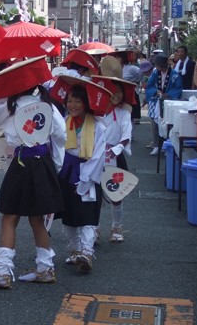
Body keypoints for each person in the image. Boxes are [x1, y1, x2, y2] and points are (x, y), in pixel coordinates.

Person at [0, 57, 66, 289]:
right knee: (38, 218)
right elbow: (61, 136)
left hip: (22, 163)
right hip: (43, 162)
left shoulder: (10, 108)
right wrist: (55, 165)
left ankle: (4, 271)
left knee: (10, 216)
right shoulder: (48, 107)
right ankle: (45, 268)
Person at [49, 75, 111, 273]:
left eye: (77, 100)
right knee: (68, 214)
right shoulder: (63, 122)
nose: (72, 104)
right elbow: (56, 148)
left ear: (87, 103)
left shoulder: (99, 126)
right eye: (69, 100)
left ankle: (86, 250)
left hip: (87, 173)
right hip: (66, 172)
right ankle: (75, 250)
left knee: (87, 214)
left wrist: (86, 180)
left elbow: (99, 156)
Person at [92, 75, 137, 243]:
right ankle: (94, 228)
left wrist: (118, 148)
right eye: (113, 91)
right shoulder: (96, 111)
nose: (116, 94)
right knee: (95, 194)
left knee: (116, 194)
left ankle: (116, 226)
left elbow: (126, 133)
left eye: (119, 92)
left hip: (114, 156)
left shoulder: (123, 112)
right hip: (95, 156)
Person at [145, 54, 182, 155]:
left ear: (161, 65)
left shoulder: (174, 74)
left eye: (157, 65)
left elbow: (178, 88)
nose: (156, 67)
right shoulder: (155, 73)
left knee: (167, 124)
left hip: (169, 102)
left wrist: (168, 95)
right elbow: (149, 86)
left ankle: (167, 145)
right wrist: (155, 91)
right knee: (154, 123)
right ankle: (156, 144)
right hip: (156, 100)